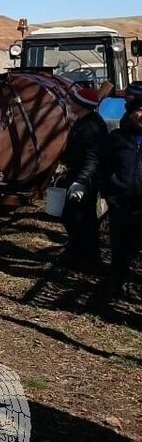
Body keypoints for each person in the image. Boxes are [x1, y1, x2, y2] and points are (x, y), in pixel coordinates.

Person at [98, 81, 142, 300]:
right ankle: (116, 284)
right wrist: (109, 194)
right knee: (120, 247)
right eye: (139, 110)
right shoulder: (117, 139)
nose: (141, 115)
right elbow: (104, 168)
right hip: (122, 202)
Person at [59, 84, 108, 268]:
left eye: (74, 101)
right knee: (77, 218)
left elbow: (92, 157)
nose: (70, 103)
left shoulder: (91, 126)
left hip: (85, 178)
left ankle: (86, 258)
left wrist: (81, 182)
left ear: (82, 105)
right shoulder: (84, 121)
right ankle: (79, 254)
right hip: (79, 174)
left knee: (78, 218)